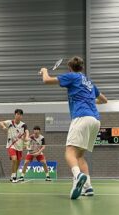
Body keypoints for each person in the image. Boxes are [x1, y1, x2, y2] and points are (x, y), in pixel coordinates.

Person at [39, 56, 107, 199]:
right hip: (95, 120)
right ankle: (88, 187)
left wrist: (44, 71)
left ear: (70, 68)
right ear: (81, 67)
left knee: (69, 151)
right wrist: (89, 100)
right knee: (80, 155)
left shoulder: (72, 76)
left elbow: (46, 80)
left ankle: (78, 176)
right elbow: (104, 100)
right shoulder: (89, 82)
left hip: (81, 117)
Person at [0, 109, 29, 183]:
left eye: (20, 114)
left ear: (21, 116)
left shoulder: (23, 125)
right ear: (15, 115)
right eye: (17, 114)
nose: (18, 116)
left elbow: (27, 131)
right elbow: (0, 122)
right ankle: (14, 176)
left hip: (20, 146)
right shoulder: (10, 122)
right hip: (11, 145)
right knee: (14, 159)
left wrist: (27, 137)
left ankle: (13, 176)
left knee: (18, 162)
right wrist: (3, 126)